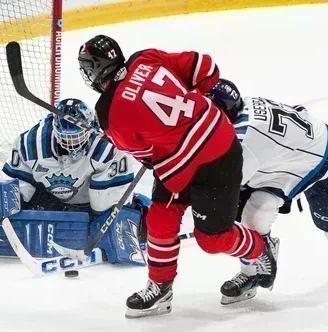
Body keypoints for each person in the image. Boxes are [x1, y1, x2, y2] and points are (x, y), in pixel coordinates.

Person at [77, 34, 279, 318]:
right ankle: (160, 287)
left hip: (216, 158)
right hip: (189, 158)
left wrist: (117, 130)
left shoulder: (108, 112)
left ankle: (260, 246)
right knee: (159, 220)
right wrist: (203, 97)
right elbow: (204, 67)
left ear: (95, 69)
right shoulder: (144, 58)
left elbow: (146, 155)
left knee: (212, 239)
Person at [206, 78, 328, 305]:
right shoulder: (242, 108)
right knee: (252, 216)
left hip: (324, 162)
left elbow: (221, 188)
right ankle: (252, 272)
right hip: (286, 160)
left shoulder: (245, 141)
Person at [0, 98, 150, 269]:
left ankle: (143, 219)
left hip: (91, 204)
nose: (72, 145)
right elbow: (16, 191)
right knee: (5, 202)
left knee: (111, 221)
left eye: (77, 137)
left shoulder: (108, 147)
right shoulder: (30, 143)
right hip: (47, 198)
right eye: (66, 138)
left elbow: (105, 207)